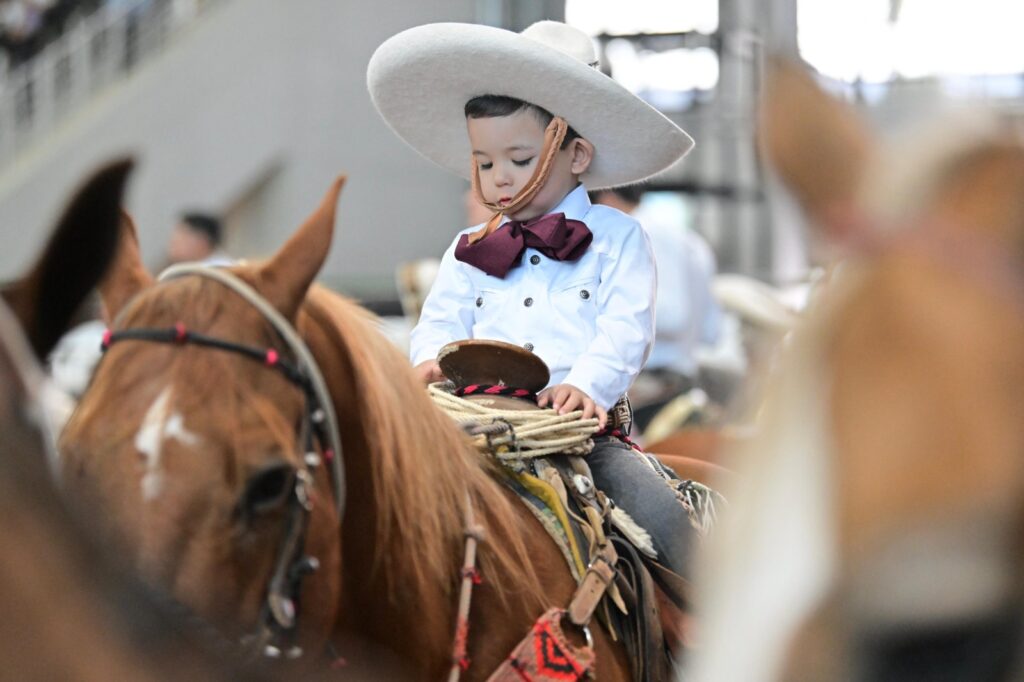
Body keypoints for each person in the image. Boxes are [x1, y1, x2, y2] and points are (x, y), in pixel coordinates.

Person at [368, 20, 699, 576]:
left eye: (520, 161)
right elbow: (440, 319)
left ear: (577, 155)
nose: (500, 179)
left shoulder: (618, 237)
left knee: (662, 520)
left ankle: (704, 613)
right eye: (485, 163)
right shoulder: (468, 247)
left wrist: (586, 385)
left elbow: (625, 328)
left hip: (577, 434)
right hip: (475, 424)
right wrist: (427, 359)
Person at [590, 186, 722, 431]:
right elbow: (711, 332)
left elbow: (672, 316)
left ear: (607, 199)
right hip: (681, 379)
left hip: (650, 384)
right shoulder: (690, 239)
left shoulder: (637, 234)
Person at [165, 211, 232, 266]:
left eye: (181, 239)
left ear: (203, 241)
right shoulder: (189, 269)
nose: (173, 244)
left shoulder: (222, 270)